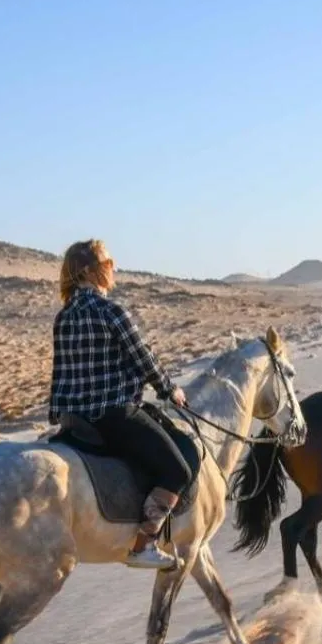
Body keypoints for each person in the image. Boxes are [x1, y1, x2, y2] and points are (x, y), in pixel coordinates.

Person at [49, 239, 191, 569]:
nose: (114, 269)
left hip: (74, 422)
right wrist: (170, 390)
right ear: (91, 271)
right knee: (177, 470)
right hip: (114, 415)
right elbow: (144, 359)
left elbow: (60, 372)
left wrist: (57, 414)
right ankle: (144, 545)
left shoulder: (64, 316)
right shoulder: (111, 312)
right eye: (109, 263)